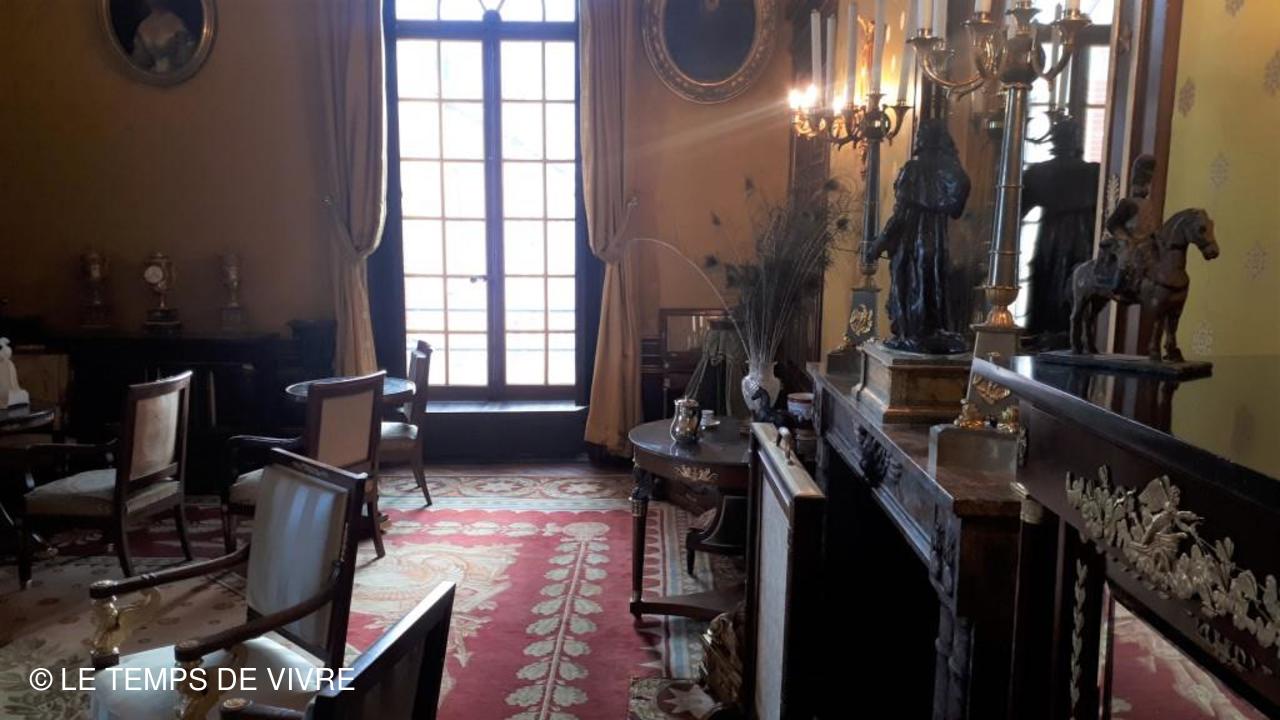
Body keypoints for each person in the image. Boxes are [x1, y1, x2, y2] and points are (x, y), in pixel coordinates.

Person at [865, 119, 970, 355]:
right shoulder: (951, 171)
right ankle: (929, 331)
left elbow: (901, 213)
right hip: (938, 240)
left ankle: (913, 333)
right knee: (932, 283)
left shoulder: (914, 169)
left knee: (912, 284)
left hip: (911, 239)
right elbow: (957, 203)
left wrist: (880, 242)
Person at [1021, 116, 1100, 347]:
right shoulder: (1093, 172)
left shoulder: (1039, 172)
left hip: (1052, 235)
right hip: (1082, 237)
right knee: (1074, 284)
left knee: (1050, 280)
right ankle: (1070, 334)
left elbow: (1017, 211)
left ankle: (1052, 332)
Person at [130, 0, 196, 74]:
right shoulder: (143, 26)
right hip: (150, 78)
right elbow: (140, 62)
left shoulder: (178, 23)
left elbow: (185, 60)